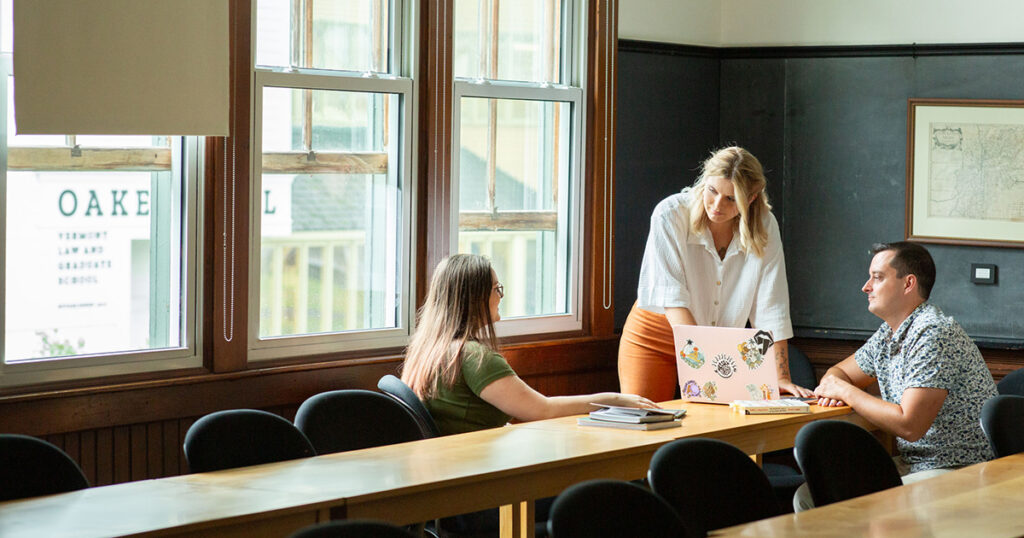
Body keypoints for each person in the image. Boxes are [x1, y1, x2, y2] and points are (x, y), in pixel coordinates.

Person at [795, 241, 997, 511]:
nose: (866, 287)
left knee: (861, 503)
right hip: (916, 464)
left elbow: (909, 425)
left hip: (959, 469)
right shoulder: (889, 333)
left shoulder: (933, 333)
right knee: (809, 495)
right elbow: (838, 373)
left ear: (908, 284)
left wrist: (845, 392)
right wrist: (838, 386)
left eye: (877, 278)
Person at [618, 146, 812, 401]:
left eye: (731, 199)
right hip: (656, 334)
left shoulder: (765, 225)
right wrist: (706, 364)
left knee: (712, 427)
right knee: (646, 421)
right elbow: (673, 300)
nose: (717, 205)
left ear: (752, 198)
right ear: (704, 181)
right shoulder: (670, 214)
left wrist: (780, 376)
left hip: (718, 343)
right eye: (712, 191)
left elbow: (771, 306)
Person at [402, 253, 657, 436]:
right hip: (479, 477)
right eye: (496, 289)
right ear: (477, 298)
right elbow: (541, 409)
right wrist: (615, 399)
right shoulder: (474, 358)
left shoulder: (429, 349)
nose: (500, 296)